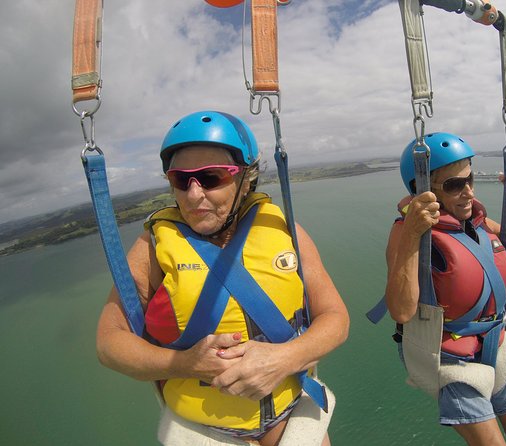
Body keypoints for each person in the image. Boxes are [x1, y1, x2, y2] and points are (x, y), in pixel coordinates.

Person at [96, 110, 349, 446]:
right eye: (180, 180)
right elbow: (109, 343)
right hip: (205, 427)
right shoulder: (153, 248)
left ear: (246, 179)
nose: (193, 194)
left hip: (289, 411)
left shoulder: (284, 230)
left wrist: (284, 358)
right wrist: (185, 363)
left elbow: (336, 319)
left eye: (211, 177)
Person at [384, 132, 506, 446]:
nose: (468, 192)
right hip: (450, 355)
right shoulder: (407, 233)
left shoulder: (478, 224)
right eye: (454, 185)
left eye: (469, 179)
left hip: (493, 341)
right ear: (423, 190)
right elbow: (402, 310)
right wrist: (412, 235)